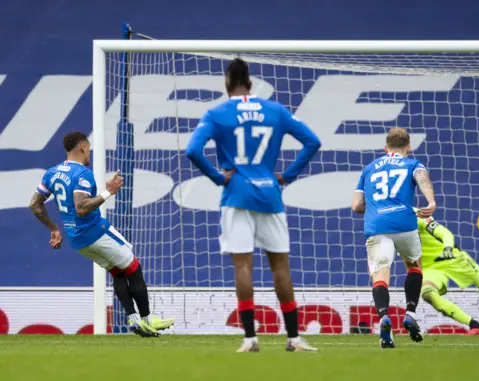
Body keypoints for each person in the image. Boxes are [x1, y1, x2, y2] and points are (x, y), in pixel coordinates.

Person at [186, 58, 321, 352]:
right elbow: (312, 142)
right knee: (281, 269)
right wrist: (287, 176)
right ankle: (294, 338)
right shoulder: (275, 111)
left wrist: (217, 178)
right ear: (250, 82)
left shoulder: (217, 113)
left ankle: (250, 338)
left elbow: (192, 150)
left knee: (243, 267)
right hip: (270, 194)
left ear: (226, 83)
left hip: (235, 195)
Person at [29, 131, 174, 337]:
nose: (89, 154)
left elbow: (34, 205)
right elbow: (81, 207)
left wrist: (53, 228)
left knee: (117, 271)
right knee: (133, 267)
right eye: (88, 149)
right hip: (95, 231)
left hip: (76, 238)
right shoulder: (82, 174)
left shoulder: (51, 173)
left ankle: (134, 321)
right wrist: (109, 192)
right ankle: (148, 319)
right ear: (83, 148)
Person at [351, 127, 436, 348]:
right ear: (409, 147)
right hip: (405, 224)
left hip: (377, 226)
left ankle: (383, 317)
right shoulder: (413, 164)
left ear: (385, 148)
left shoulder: (369, 169)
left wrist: (377, 208)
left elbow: (356, 205)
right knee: (414, 266)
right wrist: (431, 202)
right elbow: (422, 178)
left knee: (380, 274)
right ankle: (409, 313)